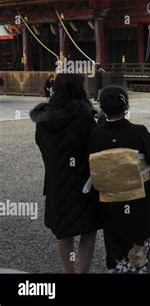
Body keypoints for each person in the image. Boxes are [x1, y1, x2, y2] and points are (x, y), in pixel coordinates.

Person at [30, 74, 100, 273]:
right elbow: (95, 147)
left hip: (56, 181)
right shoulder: (84, 117)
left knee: (63, 233)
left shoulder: (43, 120)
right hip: (83, 182)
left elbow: (42, 146)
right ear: (79, 89)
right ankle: (83, 271)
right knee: (88, 230)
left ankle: (69, 271)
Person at [87, 85, 150, 273]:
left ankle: (117, 267)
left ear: (103, 108)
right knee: (138, 236)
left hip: (109, 199)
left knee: (114, 237)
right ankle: (138, 267)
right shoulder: (138, 131)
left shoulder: (95, 134)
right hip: (137, 197)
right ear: (125, 107)